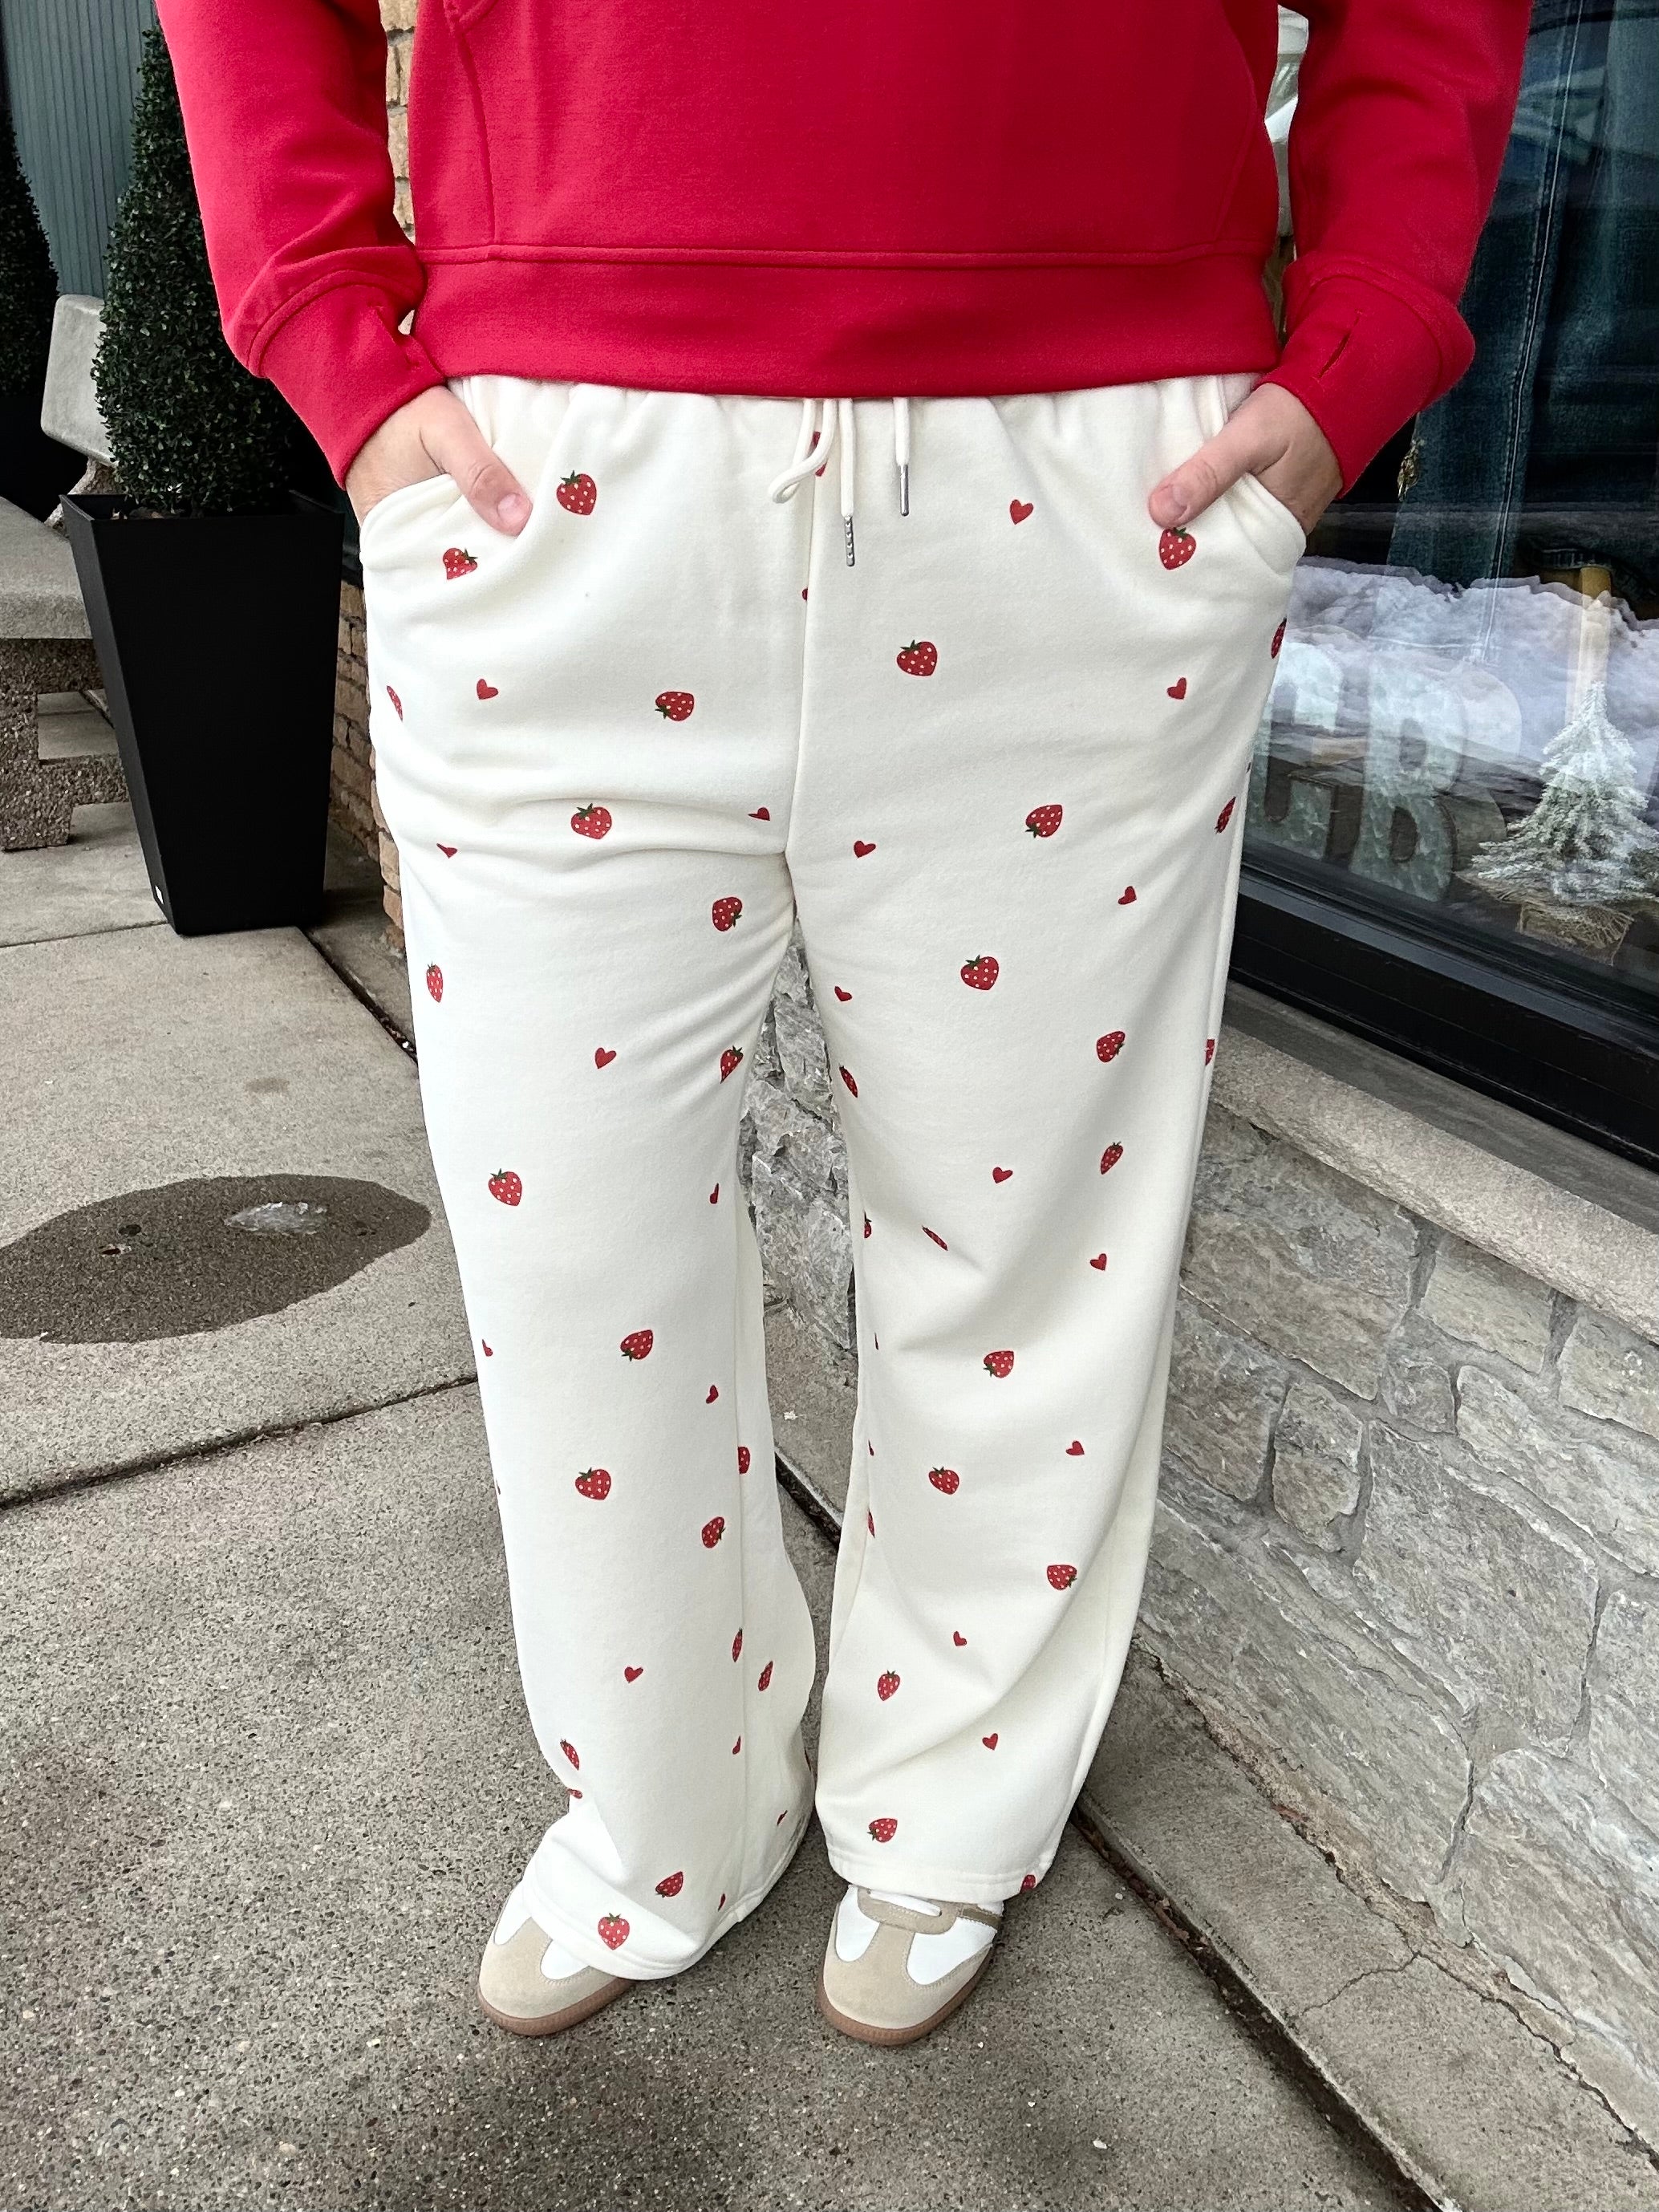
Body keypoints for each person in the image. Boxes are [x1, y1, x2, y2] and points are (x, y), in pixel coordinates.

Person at [156, 0, 1528, 2047]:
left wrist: (1355, 347)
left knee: (1021, 1239)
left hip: (1084, 476)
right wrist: (333, 345)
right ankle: (660, 1806)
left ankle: (946, 1809)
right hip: (554, 480)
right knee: (572, 1248)